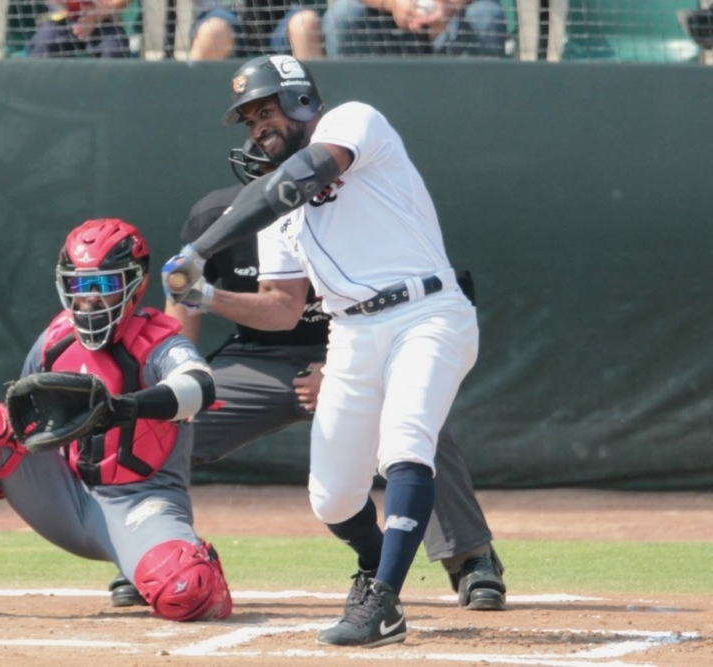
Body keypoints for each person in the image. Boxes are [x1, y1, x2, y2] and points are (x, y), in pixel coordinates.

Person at [161, 55, 480, 647]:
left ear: (303, 102)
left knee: (407, 442)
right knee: (332, 498)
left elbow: (306, 173)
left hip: (426, 310)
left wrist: (200, 249)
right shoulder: (282, 220)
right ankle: (377, 563)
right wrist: (205, 294)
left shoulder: (354, 121)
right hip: (352, 333)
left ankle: (383, 603)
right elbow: (282, 308)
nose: (257, 126)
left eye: (266, 109)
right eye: (249, 119)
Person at [107, 139, 505, 613]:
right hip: (261, 359)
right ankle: (152, 550)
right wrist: (179, 388)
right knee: (165, 427)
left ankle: (471, 559)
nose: (282, 185)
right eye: (273, 178)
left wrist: (335, 372)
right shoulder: (215, 220)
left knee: (419, 424)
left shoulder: (356, 213)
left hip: (355, 346)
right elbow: (182, 328)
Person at [0, 218, 232, 623]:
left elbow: (200, 386)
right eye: (78, 286)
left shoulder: (159, 340)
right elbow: (23, 425)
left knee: (187, 593)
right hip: (64, 495)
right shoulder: (55, 340)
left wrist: (124, 408)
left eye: (104, 286)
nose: (88, 300)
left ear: (134, 284)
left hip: (140, 502)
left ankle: (161, 564)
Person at [321, 0, 507, 57]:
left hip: (456, 19)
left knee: (485, 15)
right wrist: (391, 4)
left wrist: (452, 6)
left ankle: (479, 113)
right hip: (388, 23)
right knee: (342, 15)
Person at [189, 0, 325, 60]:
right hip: (233, 13)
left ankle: (313, 110)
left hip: (285, 13)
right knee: (212, 31)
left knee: (305, 23)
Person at [27, 0, 132, 57]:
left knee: (114, 49)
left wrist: (96, 16)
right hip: (61, 21)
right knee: (40, 46)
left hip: (103, 20)